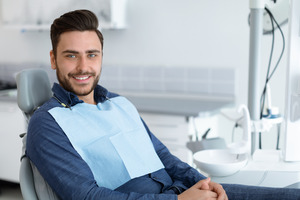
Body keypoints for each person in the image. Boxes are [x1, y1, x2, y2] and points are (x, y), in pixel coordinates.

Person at [26, 9, 300, 200]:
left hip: (183, 191)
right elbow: (86, 196)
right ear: (54, 59)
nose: (83, 66)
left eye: (92, 54)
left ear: (101, 57)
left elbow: (165, 158)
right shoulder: (47, 123)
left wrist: (202, 183)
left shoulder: (118, 104)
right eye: (71, 55)